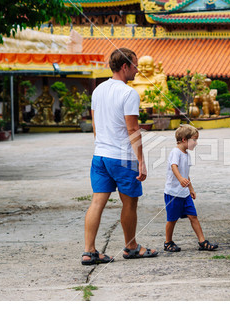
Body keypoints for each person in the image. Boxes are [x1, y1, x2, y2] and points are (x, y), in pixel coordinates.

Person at [82, 48, 158, 266]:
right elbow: (133, 129)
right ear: (124, 67)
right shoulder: (128, 93)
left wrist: (102, 146)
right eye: (135, 66)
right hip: (123, 158)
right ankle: (131, 247)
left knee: (97, 202)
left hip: (100, 156)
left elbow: (96, 125)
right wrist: (141, 161)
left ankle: (89, 252)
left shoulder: (98, 90)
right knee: (130, 203)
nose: (137, 70)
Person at [163, 125, 218, 252]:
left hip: (185, 193)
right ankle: (168, 242)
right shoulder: (176, 152)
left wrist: (190, 188)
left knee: (193, 216)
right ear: (184, 139)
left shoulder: (186, 154)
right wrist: (180, 179)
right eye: (194, 139)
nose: (196, 143)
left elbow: (186, 173)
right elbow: (174, 166)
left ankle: (202, 241)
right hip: (173, 193)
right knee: (172, 219)